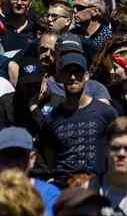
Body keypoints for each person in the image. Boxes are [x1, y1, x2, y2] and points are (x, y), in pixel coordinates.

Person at [38, 51, 116, 187]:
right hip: (63, 188)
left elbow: (116, 148)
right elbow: (50, 157)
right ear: (60, 76)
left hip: (98, 187)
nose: (73, 77)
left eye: (77, 72)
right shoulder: (52, 118)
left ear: (86, 76)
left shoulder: (106, 112)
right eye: (67, 72)